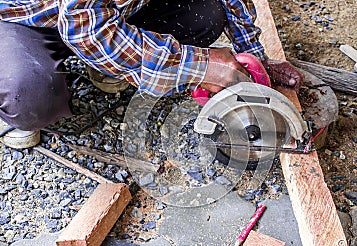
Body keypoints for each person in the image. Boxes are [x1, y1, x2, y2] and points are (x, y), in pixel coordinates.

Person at [0, 0, 303, 149]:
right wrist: (202, 65)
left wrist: (256, 54)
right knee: (28, 94)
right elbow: (85, 29)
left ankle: (108, 61)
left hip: (104, 11)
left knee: (207, 15)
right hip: (24, 21)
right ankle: (21, 105)